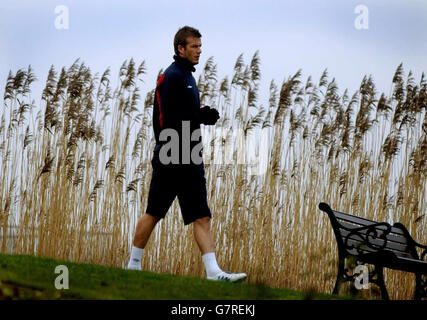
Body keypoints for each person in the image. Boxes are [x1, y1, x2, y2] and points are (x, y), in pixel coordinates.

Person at [126, 26, 247, 282]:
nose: (199, 51)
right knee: (154, 212)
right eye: (194, 46)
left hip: (190, 154)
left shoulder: (188, 77)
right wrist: (199, 116)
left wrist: (200, 114)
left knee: (201, 215)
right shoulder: (171, 76)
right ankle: (133, 264)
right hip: (171, 154)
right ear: (180, 48)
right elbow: (169, 117)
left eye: (200, 46)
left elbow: (185, 113)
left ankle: (213, 273)